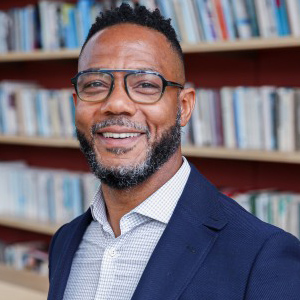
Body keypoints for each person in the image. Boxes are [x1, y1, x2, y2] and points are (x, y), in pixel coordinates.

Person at [47, 4, 300, 300]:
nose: (116, 104)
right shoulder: (65, 241)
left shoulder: (263, 258)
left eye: (144, 85)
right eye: (95, 84)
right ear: (76, 104)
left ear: (184, 107)